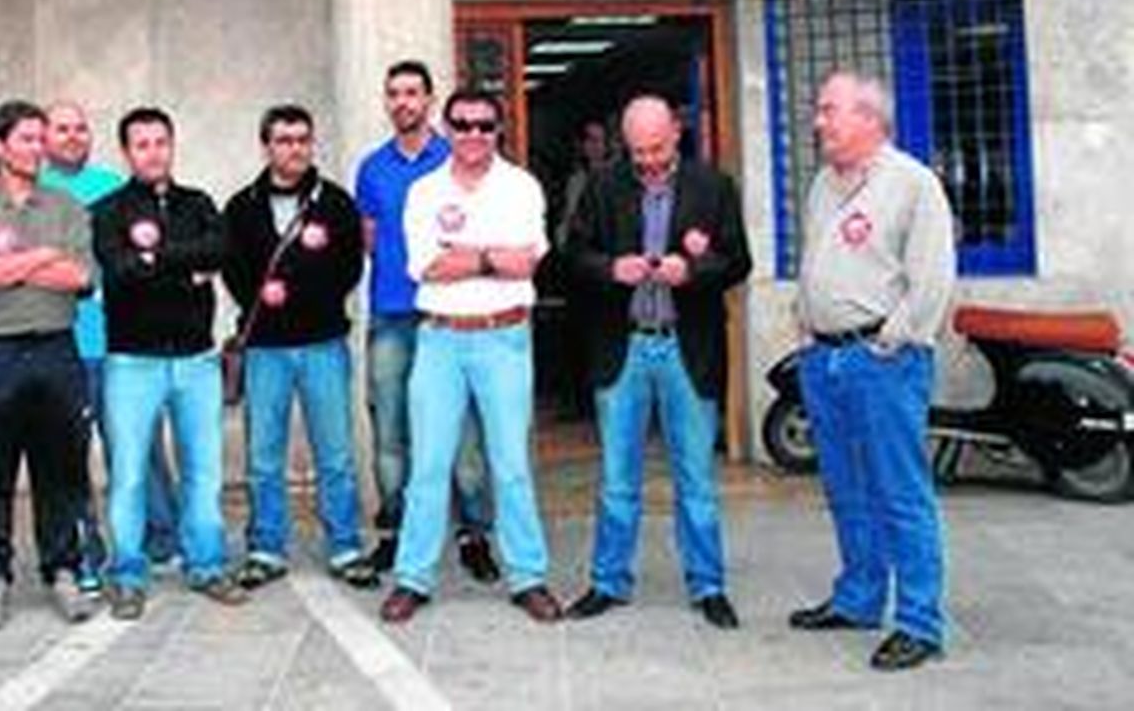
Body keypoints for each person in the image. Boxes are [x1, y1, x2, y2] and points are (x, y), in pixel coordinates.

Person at [564, 96, 751, 630]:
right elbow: (570, 257)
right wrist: (610, 269)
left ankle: (708, 585)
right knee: (617, 478)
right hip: (622, 347)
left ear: (676, 133)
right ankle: (608, 582)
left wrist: (691, 271)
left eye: (657, 149)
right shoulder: (602, 186)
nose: (647, 161)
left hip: (686, 347)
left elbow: (738, 261)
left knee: (695, 479)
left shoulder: (714, 187)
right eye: (637, 151)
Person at [789, 71, 955, 671]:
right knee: (845, 490)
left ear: (868, 118)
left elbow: (932, 278)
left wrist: (891, 341)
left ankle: (919, 622)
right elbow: (815, 262)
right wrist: (807, 329)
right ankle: (858, 599)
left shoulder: (912, 183)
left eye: (828, 110)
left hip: (882, 362)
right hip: (824, 358)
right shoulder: (822, 184)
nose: (818, 121)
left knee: (899, 492)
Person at [379, 89, 562, 625]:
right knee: (429, 465)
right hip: (440, 340)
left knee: (510, 466)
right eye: (462, 125)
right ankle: (413, 578)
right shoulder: (423, 191)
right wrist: (492, 256)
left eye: (484, 125)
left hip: (504, 339)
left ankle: (528, 577)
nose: (474, 135)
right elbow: (426, 268)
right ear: (448, 127)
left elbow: (526, 263)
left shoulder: (521, 187)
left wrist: (468, 256)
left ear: (498, 129)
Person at [94, 107, 249, 620]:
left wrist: (156, 260)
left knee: (204, 473)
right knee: (130, 475)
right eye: (142, 144)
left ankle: (206, 565)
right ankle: (128, 574)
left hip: (196, 363)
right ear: (126, 152)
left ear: (172, 146)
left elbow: (219, 251)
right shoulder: (108, 210)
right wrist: (185, 268)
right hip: (132, 364)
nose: (153, 152)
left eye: (161, 142)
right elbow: (117, 273)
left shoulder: (199, 202)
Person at [0, 100, 97, 631]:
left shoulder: (65, 205)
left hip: (57, 350)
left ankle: (63, 569)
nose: (40, 148)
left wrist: (19, 266)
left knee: (61, 467)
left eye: (42, 139)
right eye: (28, 139)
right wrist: (43, 256)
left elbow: (81, 278)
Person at [222, 105, 378, 591]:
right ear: (266, 146)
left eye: (302, 140)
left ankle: (346, 545)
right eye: (284, 140)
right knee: (264, 456)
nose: (295, 148)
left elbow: (350, 266)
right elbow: (232, 264)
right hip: (266, 348)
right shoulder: (242, 205)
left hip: (323, 343)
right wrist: (256, 296)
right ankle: (266, 547)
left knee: (334, 454)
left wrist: (311, 297)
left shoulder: (334, 202)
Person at [354, 61, 496, 581]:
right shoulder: (372, 168)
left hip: (449, 313)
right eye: (394, 93)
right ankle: (394, 532)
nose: (403, 102)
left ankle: (474, 535)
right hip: (391, 314)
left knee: (464, 435)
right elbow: (370, 238)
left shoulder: (455, 159)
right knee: (391, 429)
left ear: (430, 100)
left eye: (412, 92)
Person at [39, 100, 180, 591]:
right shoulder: (31, 194)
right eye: (62, 129)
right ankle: (85, 551)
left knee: (140, 450)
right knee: (69, 458)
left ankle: (164, 540)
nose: (73, 136)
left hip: (124, 345)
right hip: (63, 348)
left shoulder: (115, 190)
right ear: (44, 136)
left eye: (81, 129)